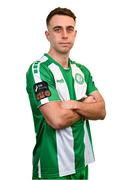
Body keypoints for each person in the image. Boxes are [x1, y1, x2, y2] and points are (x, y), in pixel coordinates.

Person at [26, 7, 106, 180]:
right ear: (47, 35)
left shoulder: (82, 71)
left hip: (81, 164)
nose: (64, 35)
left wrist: (76, 104)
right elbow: (57, 119)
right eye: (57, 29)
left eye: (69, 29)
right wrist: (87, 104)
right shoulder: (39, 70)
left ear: (75, 34)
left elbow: (101, 111)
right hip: (52, 169)